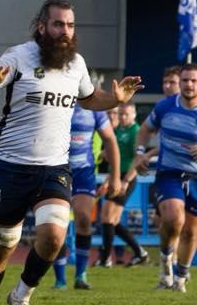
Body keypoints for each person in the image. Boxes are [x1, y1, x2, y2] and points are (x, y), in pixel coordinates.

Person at [0, 0, 141, 305]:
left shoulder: (76, 63)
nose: (65, 31)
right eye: (58, 24)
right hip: (11, 167)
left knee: (53, 237)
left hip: (54, 168)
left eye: (70, 25)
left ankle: (21, 296)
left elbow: (89, 99)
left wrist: (115, 99)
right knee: (3, 244)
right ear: (42, 27)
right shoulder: (17, 56)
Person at [133, 63, 197, 290]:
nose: (189, 85)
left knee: (190, 231)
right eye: (185, 80)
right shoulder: (165, 107)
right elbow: (145, 130)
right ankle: (165, 259)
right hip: (170, 173)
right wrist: (140, 153)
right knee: (173, 218)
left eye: (194, 81)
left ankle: (181, 276)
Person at [54, 98, 122, 289]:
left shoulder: (94, 107)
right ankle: (60, 279)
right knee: (57, 224)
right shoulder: (55, 101)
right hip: (56, 170)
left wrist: (115, 176)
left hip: (84, 172)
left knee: (83, 219)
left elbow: (110, 139)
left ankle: (80, 276)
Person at [98, 100, 146, 266]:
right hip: (116, 176)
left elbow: (138, 159)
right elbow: (115, 158)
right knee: (110, 219)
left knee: (108, 217)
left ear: (134, 115)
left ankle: (105, 259)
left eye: (126, 114)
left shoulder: (136, 131)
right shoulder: (118, 130)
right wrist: (108, 179)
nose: (123, 117)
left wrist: (126, 180)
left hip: (126, 177)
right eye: (121, 114)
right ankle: (139, 252)